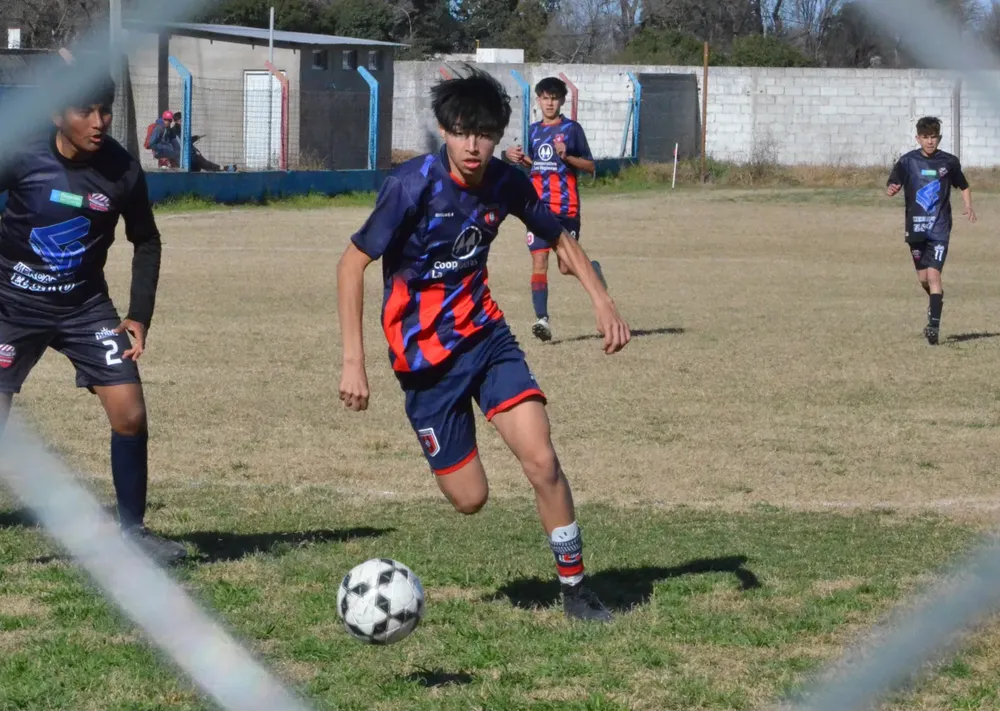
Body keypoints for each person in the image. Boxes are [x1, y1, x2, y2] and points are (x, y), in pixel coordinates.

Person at [337, 67, 631, 622]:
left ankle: (576, 590)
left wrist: (601, 298)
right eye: (461, 131)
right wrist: (355, 362)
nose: (473, 146)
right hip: (423, 364)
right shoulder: (411, 184)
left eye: (484, 134)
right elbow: (352, 264)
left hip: (486, 338)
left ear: (498, 135)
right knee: (470, 499)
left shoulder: (505, 182)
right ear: (444, 130)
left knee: (543, 461)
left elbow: (558, 234)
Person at [0, 64, 186, 564]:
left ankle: (134, 533)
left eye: (105, 110)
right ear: (57, 114)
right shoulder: (19, 154)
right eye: (86, 111)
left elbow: (145, 239)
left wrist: (139, 314)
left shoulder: (122, 170)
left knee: (129, 412)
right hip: (12, 306)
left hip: (84, 307)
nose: (99, 121)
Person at [505, 77, 603, 343]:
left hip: (565, 207)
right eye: (545, 98)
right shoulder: (532, 130)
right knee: (539, 261)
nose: (549, 103)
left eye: (554, 98)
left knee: (565, 266)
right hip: (537, 207)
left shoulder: (572, 129)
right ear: (538, 101)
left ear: (561, 101)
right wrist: (514, 158)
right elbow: (534, 165)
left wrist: (567, 157)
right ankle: (542, 320)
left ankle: (592, 271)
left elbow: (591, 166)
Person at [887, 116, 976, 345]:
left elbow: (963, 186)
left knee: (934, 275)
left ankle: (933, 326)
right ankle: (936, 303)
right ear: (918, 138)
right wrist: (892, 187)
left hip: (940, 227)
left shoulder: (949, 162)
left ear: (939, 138)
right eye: (925, 137)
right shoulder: (907, 161)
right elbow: (893, 182)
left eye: (933, 137)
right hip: (915, 226)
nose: (929, 141)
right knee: (923, 278)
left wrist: (968, 206)